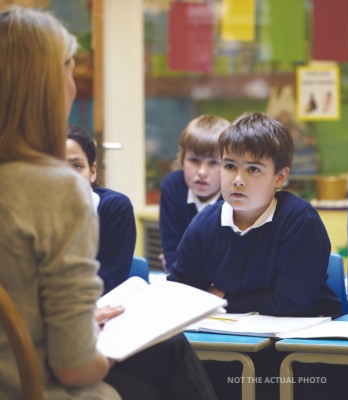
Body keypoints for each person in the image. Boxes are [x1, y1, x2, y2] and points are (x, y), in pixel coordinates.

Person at [0, 6, 217, 399]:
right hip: (32, 385)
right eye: (69, 67)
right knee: (161, 358)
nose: (73, 83)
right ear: (47, 86)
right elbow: (76, 368)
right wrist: (118, 348)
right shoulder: (55, 190)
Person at [167, 112, 348, 399]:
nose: (237, 180)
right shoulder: (204, 223)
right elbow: (180, 291)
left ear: (280, 176)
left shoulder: (300, 220)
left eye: (253, 169)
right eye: (229, 166)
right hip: (229, 345)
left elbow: (292, 303)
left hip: (302, 353)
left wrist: (223, 297)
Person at [66, 125, 135, 293]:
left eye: (76, 166)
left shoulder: (115, 208)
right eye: (57, 167)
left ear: (93, 171)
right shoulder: (36, 213)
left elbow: (109, 282)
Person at [159, 114, 230, 269]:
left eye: (213, 163)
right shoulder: (171, 186)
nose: (202, 172)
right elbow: (171, 250)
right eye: (194, 161)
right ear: (182, 159)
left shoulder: (234, 195)